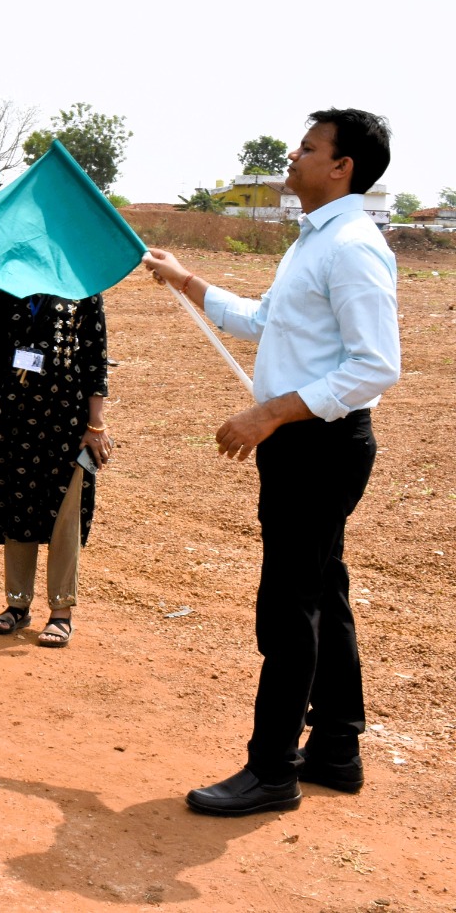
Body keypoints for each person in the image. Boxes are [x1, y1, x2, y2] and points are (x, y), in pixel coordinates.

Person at [143, 109, 399, 817]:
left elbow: (375, 365)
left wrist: (271, 413)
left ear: (342, 166)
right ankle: (336, 750)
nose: (292, 155)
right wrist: (186, 280)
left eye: (309, 148)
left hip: (319, 448)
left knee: (289, 607)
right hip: (305, 446)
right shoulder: (316, 241)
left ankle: (271, 770)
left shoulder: (351, 246)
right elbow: (265, 323)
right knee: (325, 591)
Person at [0, 286, 111, 649]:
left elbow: (95, 357)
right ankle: (17, 604)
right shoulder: (4, 284)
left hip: (68, 421)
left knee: (65, 513)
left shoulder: (84, 283)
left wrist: (96, 424)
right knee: (18, 508)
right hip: (16, 417)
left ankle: (61, 611)